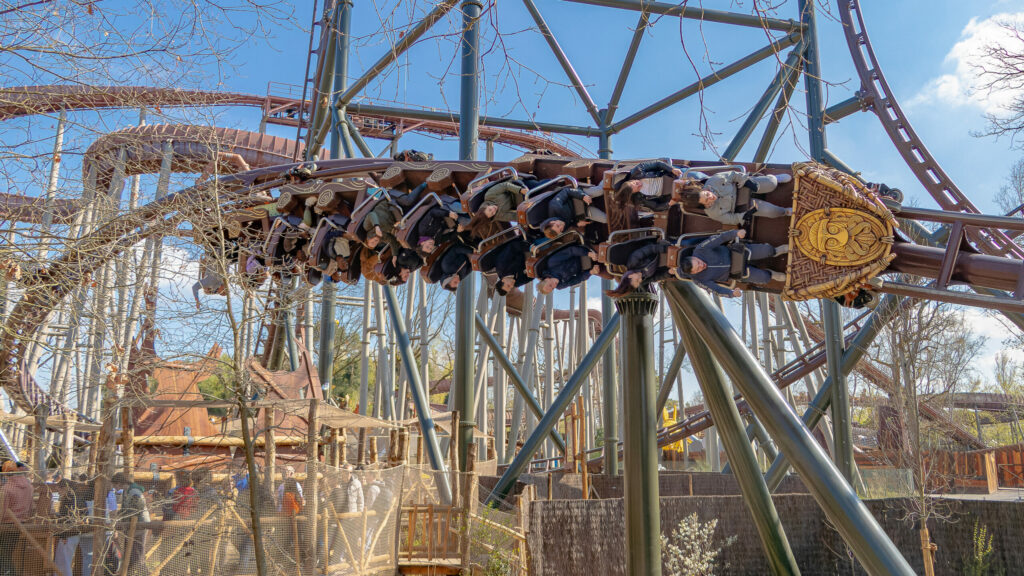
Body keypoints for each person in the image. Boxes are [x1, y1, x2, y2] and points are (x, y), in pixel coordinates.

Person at [674, 229, 787, 297]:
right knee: (765, 278)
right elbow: (716, 290)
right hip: (737, 272)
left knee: (768, 251)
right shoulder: (699, 280)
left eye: (698, 263)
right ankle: (772, 274)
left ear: (694, 257)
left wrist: (736, 233)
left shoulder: (700, 249)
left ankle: (777, 250)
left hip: (737, 253)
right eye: (698, 269)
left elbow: (720, 238)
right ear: (693, 273)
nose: (702, 266)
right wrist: (731, 293)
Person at [675, 172, 792, 226]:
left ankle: (776, 178)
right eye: (706, 200)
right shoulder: (712, 213)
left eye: (706, 194)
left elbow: (733, 175)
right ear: (704, 205)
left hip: (743, 187)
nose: (710, 197)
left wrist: (746, 181)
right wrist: (745, 215)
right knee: (773, 212)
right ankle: (785, 211)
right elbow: (732, 219)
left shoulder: (713, 181)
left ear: (704, 189)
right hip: (743, 204)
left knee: (771, 183)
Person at [110, 472, 150, 576]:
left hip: (139, 526)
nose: (114, 487)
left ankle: (144, 573)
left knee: (137, 554)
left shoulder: (134, 492)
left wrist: (124, 519)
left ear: (119, 483)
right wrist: (118, 517)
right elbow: (125, 509)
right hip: (130, 526)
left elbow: (136, 510)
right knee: (130, 553)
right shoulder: (126, 492)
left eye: (114, 485)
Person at [605, 240, 672, 297]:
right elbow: (656, 277)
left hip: (658, 248)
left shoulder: (633, 261)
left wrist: (666, 249)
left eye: (637, 280)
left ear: (630, 276)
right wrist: (669, 273)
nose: (640, 280)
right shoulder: (643, 279)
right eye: (639, 282)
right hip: (665, 261)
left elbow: (650, 249)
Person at [0, 461, 32, 576]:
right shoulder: (29, 487)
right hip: (20, 525)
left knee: (3, 555)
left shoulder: (6, 489)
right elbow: (31, 507)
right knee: (7, 554)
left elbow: (1, 511)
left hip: (5, 526)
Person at [612, 160, 683, 211]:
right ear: (634, 192)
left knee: (688, 174)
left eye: (635, 183)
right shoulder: (640, 199)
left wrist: (672, 169)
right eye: (637, 188)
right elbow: (655, 206)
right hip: (673, 194)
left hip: (674, 176)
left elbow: (657, 164)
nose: (638, 185)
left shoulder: (638, 170)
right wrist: (668, 204)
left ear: (632, 180)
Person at [540, 186, 606, 239]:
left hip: (578, 196)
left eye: (558, 225)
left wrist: (583, 196)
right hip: (582, 212)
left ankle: (610, 175)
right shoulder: (562, 228)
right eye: (560, 230)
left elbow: (567, 191)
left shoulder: (555, 206)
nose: (562, 226)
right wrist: (577, 224)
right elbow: (570, 223)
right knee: (605, 219)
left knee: (600, 190)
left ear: (552, 222)